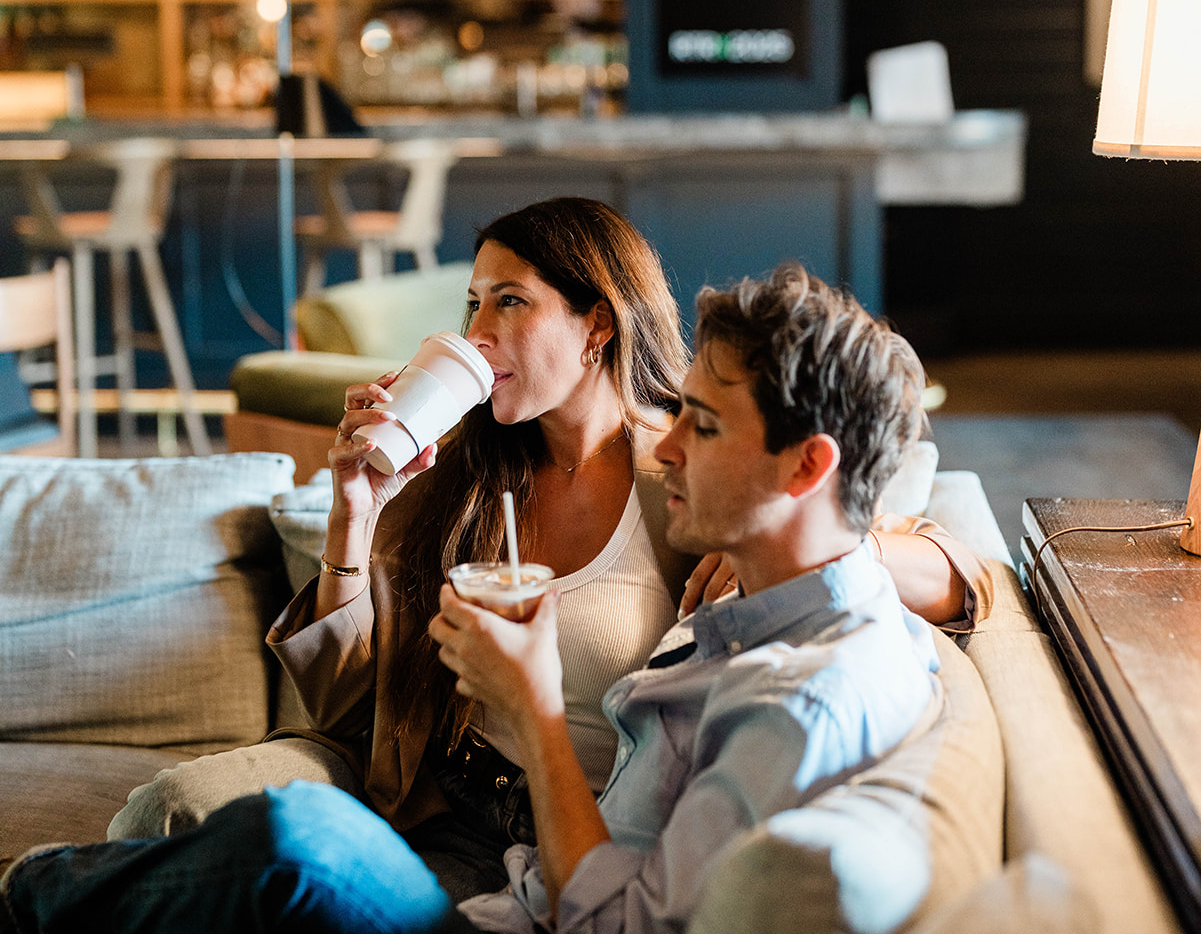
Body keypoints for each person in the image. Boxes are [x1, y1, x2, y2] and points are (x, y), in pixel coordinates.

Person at [0, 260, 944, 934]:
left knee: (301, 841)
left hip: (524, 880)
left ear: (596, 327)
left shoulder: (761, 624)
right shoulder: (461, 485)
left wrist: (530, 707)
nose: (671, 445)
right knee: (204, 809)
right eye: (469, 303)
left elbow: (615, 917)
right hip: (454, 826)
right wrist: (354, 514)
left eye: (700, 424)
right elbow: (351, 709)